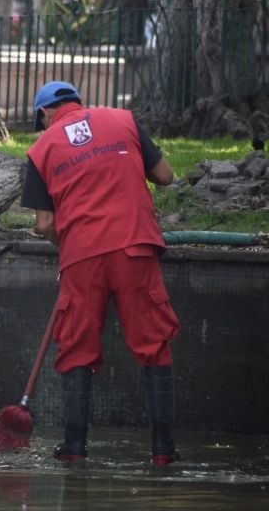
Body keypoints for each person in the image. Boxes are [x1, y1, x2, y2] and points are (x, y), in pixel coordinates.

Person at [20, 81, 181, 466]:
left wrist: (69, 245)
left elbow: (44, 224)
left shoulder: (41, 148)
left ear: (44, 113)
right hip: (135, 245)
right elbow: (165, 175)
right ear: (78, 102)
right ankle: (163, 452)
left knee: (77, 347)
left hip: (82, 257)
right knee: (153, 343)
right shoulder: (123, 120)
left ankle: (74, 449)